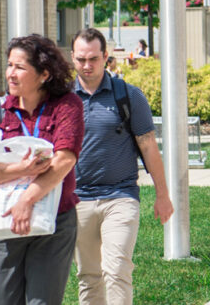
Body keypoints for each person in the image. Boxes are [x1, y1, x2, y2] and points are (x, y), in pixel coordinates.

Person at [0, 34, 83, 305]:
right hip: (5, 220)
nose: (10, 73)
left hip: (54, 220)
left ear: (44, 74)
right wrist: (22, 168)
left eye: (19, 67)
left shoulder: (67, 106)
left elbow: (64, 160)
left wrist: (27, 199)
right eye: (9, 65)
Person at [70, 29, 174, 305]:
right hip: (78, 199)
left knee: (116, 270)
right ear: (72, 58)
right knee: (89, 275)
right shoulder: (64, 100)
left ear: (106, 57)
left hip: (120, 196)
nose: (87, 66)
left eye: (93, 58)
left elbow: (149, 146)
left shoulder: (128, 96)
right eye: (81, 59)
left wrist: (162, 195)